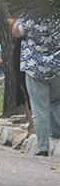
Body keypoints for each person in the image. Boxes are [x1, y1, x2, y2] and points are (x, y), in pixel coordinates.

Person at [8, 12, 60, 156]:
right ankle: (56, 133)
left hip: (34, 68)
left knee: (39, 109)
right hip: (57, 66)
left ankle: (43, 148)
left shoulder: (31, 17)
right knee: (56, 102)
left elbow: (15, 31)